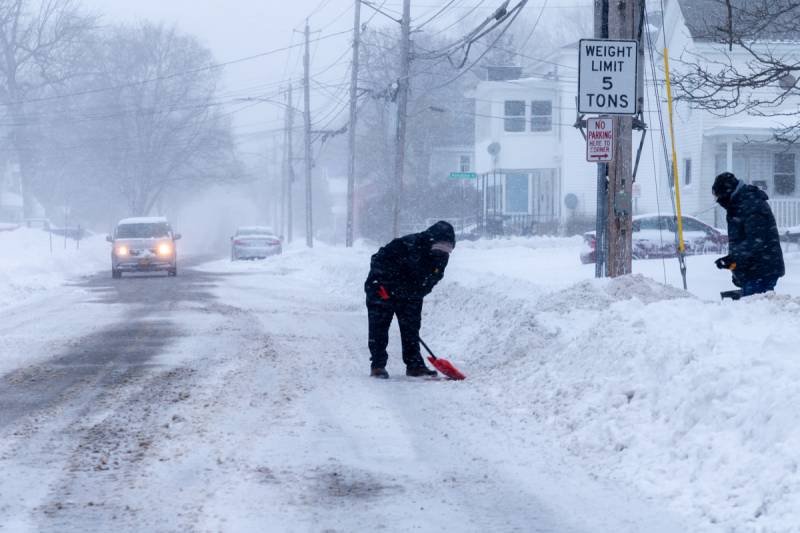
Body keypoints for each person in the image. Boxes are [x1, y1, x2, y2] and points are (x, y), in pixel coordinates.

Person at [365, 221, 455, 379]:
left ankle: (415, 366)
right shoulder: (407, 245)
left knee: (411, 329)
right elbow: (378, 261)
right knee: (379, 327)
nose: (442, 253)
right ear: (431, 241)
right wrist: (383, 286)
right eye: (439, 247)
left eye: (446, 249)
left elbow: (433, 278)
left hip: (410, 293)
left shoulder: (441, 257)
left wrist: (415, 293)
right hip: (381, 289)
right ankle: (378, 366)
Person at [712, 172, 785, 297]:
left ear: (727, 192)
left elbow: (756, 241)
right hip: (754, 269)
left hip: (762, 270)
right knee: (753, 308)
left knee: (757, 310)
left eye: (719, 195)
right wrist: (733, 261)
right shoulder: (739, 204)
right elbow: (743, 241)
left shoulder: (751, 205)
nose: (719, 200)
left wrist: (734, 258)